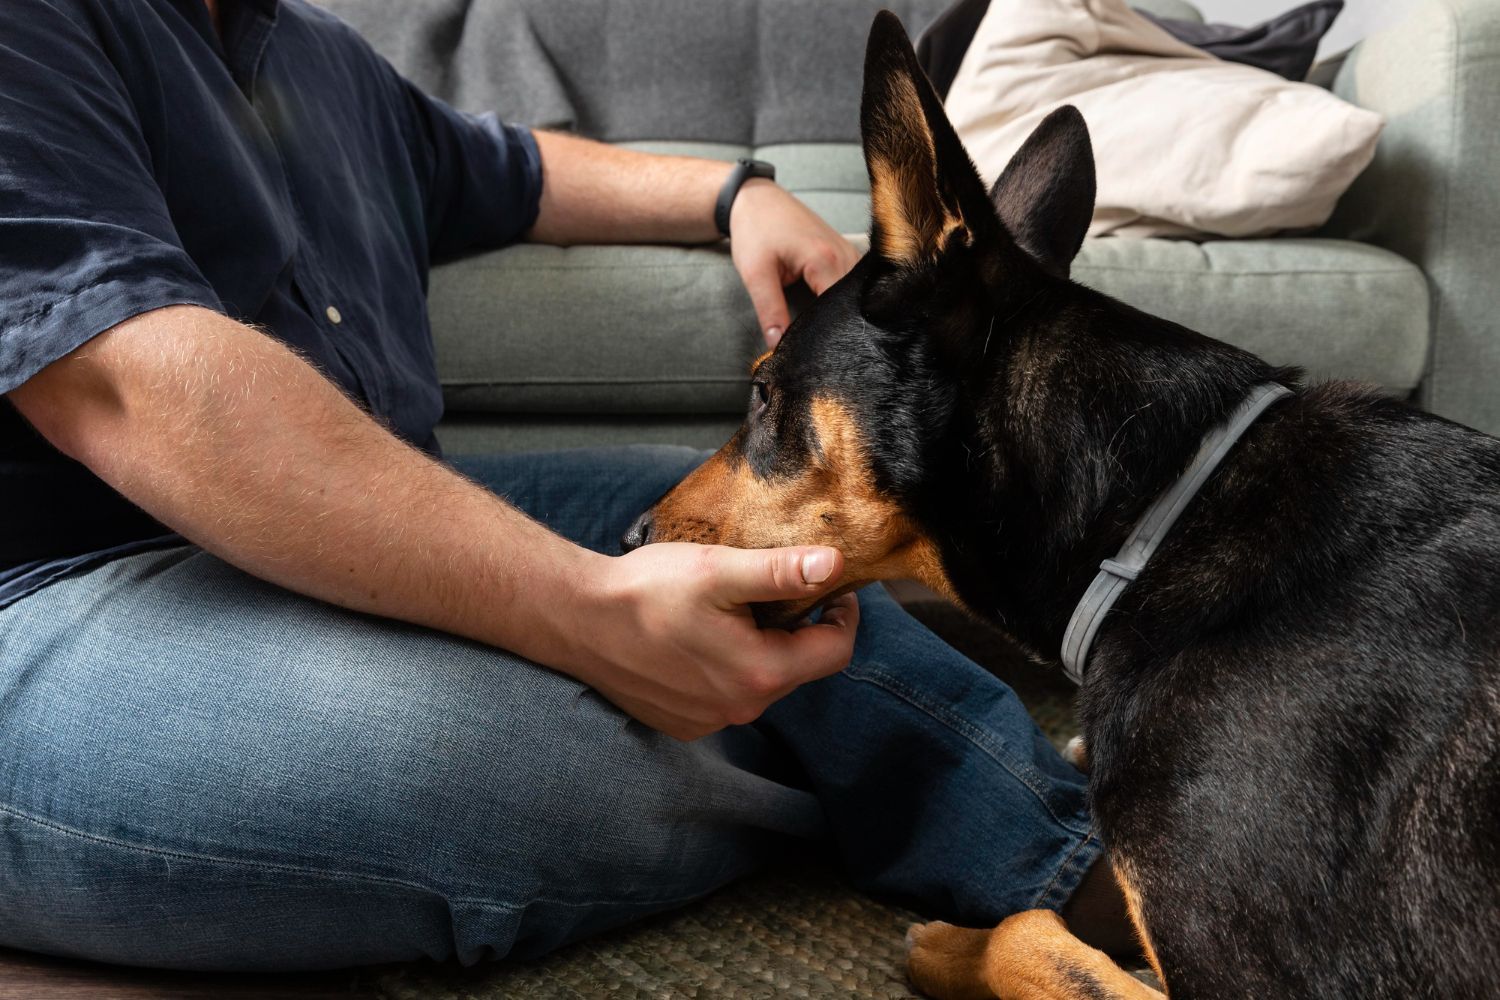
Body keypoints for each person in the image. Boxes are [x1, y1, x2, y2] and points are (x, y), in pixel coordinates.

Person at [0, 0, 1118, 970]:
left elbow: (509, 169)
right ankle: (833, 774)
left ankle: (1088, 869)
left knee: (734, 536)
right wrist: (584, 615)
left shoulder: (315, 59)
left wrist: (733, 193)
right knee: (486, 766)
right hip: (58, 591)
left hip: (348, 540)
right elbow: (124, 383)